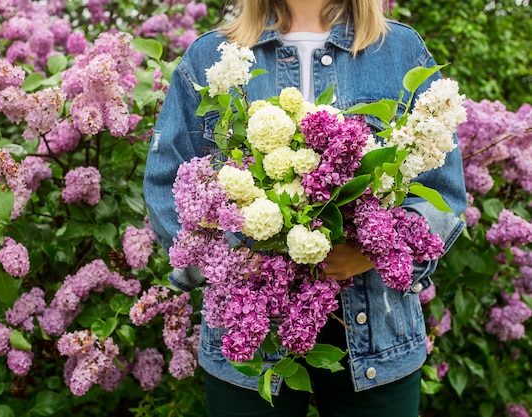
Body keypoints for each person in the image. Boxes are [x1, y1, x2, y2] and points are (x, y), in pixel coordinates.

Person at [143, 0, 467, 416]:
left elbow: (443, 195)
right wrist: (234, 262)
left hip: (377, 333)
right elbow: (167, 185)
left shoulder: (399, 49)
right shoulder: (212, 55)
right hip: (251, 333)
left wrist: (371, 254)